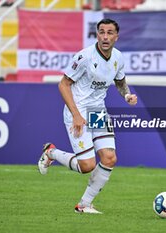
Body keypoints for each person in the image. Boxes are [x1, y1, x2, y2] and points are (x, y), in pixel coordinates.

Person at [38, 18, 137, 214]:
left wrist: (126, 95)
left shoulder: (118, 57)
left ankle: (83, 205)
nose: (105, 36)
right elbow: (63, 84)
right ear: (97, 35)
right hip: (78, 109)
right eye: (102, 32)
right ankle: (51, 153)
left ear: (117, 37)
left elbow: (120, 81)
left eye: (110, 33)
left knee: (109, 158)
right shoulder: (84, 57)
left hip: (97, 111)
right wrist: (76, 115)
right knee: (87, 166)